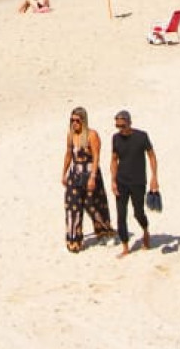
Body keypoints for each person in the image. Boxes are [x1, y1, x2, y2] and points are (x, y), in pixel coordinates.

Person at [61, 106, 114, 252]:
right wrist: (64, 173)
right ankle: (74, 239)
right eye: (72, 120)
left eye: (77, 120)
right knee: (73, 207)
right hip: (75, 174)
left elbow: (96, 156)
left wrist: (93, 177)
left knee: (93, 205)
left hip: (90, 173)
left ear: (83, 121)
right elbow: (68, 154)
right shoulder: (71, 136)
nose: (74, 123)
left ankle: (104, 231)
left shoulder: (92, 135)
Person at [109, 110, 159, 257]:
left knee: (138, 212)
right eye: (117, 126)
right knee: (121, 214)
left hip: (138, 182)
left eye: (122, 125)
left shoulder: (142, 136)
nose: (120, 129)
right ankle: (125, 246)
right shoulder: (116, 138)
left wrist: (154, 177)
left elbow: (151, 156)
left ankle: (145, 231)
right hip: (121, 181)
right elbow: (113, 159)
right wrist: (113, 180)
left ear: (129, 122)